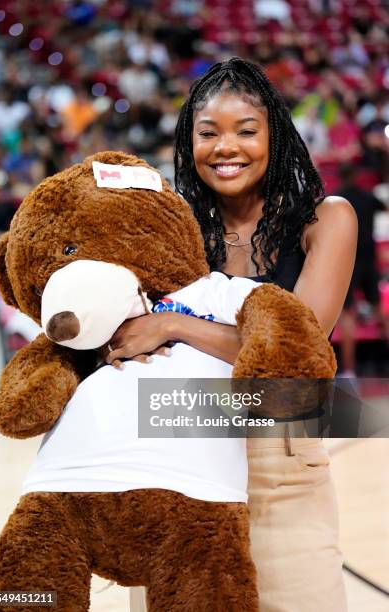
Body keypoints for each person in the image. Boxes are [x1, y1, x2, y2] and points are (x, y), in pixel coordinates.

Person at [105, 58, 357, 612]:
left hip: (284, 470)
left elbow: (297, 349)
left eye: (246, 130)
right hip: (175, 462)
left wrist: (172, 324)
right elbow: (124, 339)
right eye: (208, 133)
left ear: (276, 137)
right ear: (187, 141)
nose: (227, 147)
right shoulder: (168, 229)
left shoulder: (326, 220)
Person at [337, 162, 389, 376]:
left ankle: (349, 371)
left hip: (349, 261)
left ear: (340, 177)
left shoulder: (337, 200)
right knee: (380, 313)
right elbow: (385, 208)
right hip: (369, 261)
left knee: (348, 315)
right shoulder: (368, 197)